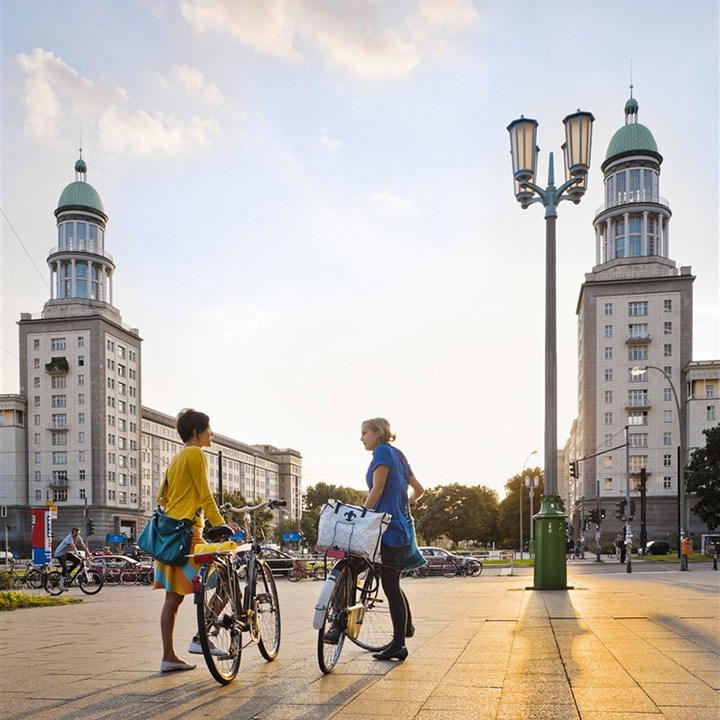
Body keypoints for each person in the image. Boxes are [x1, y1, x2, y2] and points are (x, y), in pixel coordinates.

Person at [152, 408, 226, 673]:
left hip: (169, 535)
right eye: (208, 428)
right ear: (196, 432)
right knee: (226, 582)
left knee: (172, 599)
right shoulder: (195, 453)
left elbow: (163, 498)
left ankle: (168, 656)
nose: (212, 434)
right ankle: (201, 638)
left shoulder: (177, 457)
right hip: (188, 535)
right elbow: (206, 495)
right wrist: (222, 526)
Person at [361, 417, 424, 661]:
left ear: (378, 433)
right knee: (392, 584)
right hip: (399, 528)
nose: (361, 437)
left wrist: (362, 516)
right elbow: (419, 490)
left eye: (365, 432)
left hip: (386, 530)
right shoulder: (399, 454)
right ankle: (405, 629)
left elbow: (376, 489)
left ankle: (399, 645)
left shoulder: (383, 452)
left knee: (390, 586)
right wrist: (408, 503)